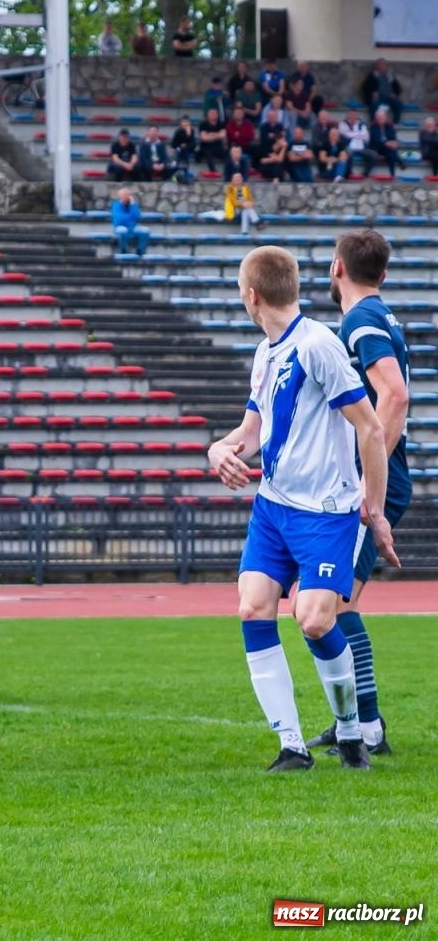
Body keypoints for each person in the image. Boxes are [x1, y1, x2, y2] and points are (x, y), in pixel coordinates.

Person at [206, 246, 396, 772]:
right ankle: (291, 746)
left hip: (325, 511)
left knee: (313, 620)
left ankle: (352, 731)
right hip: (273, 509)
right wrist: (218, 450)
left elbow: (371, 427)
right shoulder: (265, 352)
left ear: (252, 295)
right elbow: (250, 432)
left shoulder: (318, 345)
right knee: (252, 607)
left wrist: (374, 511)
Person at [304, 231, 410, 759]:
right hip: (377, 477)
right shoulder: (382, 315)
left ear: (336, 267)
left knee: (335, 604)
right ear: (383, 274)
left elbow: (395, 394)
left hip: (373, 481)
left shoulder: (361, 321)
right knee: (339, 602)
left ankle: (366, 728)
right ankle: (364, 722)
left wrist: (373, 473)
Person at [359, 58, 403, 124]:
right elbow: (364, 87)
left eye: (384, 64)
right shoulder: (372, 76)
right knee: (374, 104)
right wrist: (372, 93)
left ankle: (395, 121)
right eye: (380, 64)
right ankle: (374, 122)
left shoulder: (389, 76)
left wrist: (395, 94)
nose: (382, 66)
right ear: (377, 66)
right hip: (377, 98)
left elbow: (398, 88)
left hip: (389, 97)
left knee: (398, 104)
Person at [111, 186, 147, 257]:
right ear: (120, 196)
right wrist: (131, 218)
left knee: (145, 231)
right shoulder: (116, 205)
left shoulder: (132, 205)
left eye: (129, 195)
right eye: (125, 195)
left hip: (132, 228)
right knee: (122, 231)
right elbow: (120, 220)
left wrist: (133, 205)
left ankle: (140, 250)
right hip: (120, 227)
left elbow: (137, 216)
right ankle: (123, 250)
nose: (127, 196)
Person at [367, 108, 403, 175]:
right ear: (376, 118)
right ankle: (399, 160)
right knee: (391, 150)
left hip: (387, 148)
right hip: (376, 148)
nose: (381, 118)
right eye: (379, 117)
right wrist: (387, 143)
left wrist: (394, 143)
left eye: (382, 117)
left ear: (385, 117)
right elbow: (376, 141)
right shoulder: (373, 127)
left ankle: (392, 173)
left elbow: (393, 137)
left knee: (392, 152)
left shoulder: (389, 126)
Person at [197, 108, 227, 172]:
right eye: (211, 113)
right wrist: (217, 135)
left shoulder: (221, 124)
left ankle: (228, 172)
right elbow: (204, 138)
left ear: (218, 115)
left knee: (227, 154)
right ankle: (213, 172)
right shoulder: (203, 124)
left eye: (215, 113)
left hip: (218, 146)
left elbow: (223, 135)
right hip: (206, 146)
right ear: (207, 115)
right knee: (208, 153)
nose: (213, 115)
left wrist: (210, 134)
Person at [170, 115, 198, 183]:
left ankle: (184, 173)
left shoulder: (192, 131)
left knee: (185, 152)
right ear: (181, 123)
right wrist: (180, 145)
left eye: (187, 122)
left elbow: (193, 144)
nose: (185, 124)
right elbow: (173, 144)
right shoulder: (178, 131)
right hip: (179, 151)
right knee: (179, 151)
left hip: (188, 151)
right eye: (184, 122)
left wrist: (189, 135)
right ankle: (178, 174)